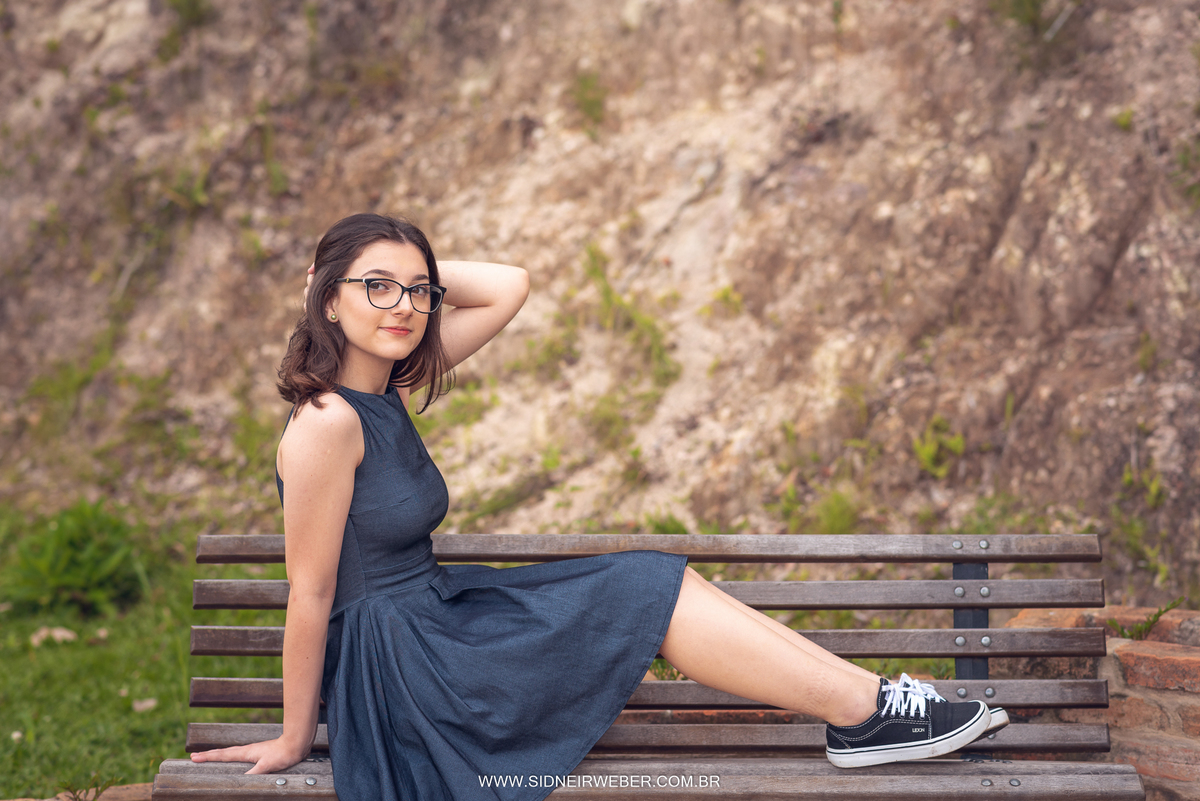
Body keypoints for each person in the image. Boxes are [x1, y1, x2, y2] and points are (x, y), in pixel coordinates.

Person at [189, 213, 1007, 799]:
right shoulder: (326, 423)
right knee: (644, 585)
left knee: (655, 579)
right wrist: (296, 736)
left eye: (417, 290)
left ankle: (869, 706)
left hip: (441, 618)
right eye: (375, 287)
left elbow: (508, 287)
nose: (403, 305)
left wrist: (400, 269)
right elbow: (311, 593)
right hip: (409, 666)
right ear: (326, 298)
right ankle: (868, 713)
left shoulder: (389, 386)